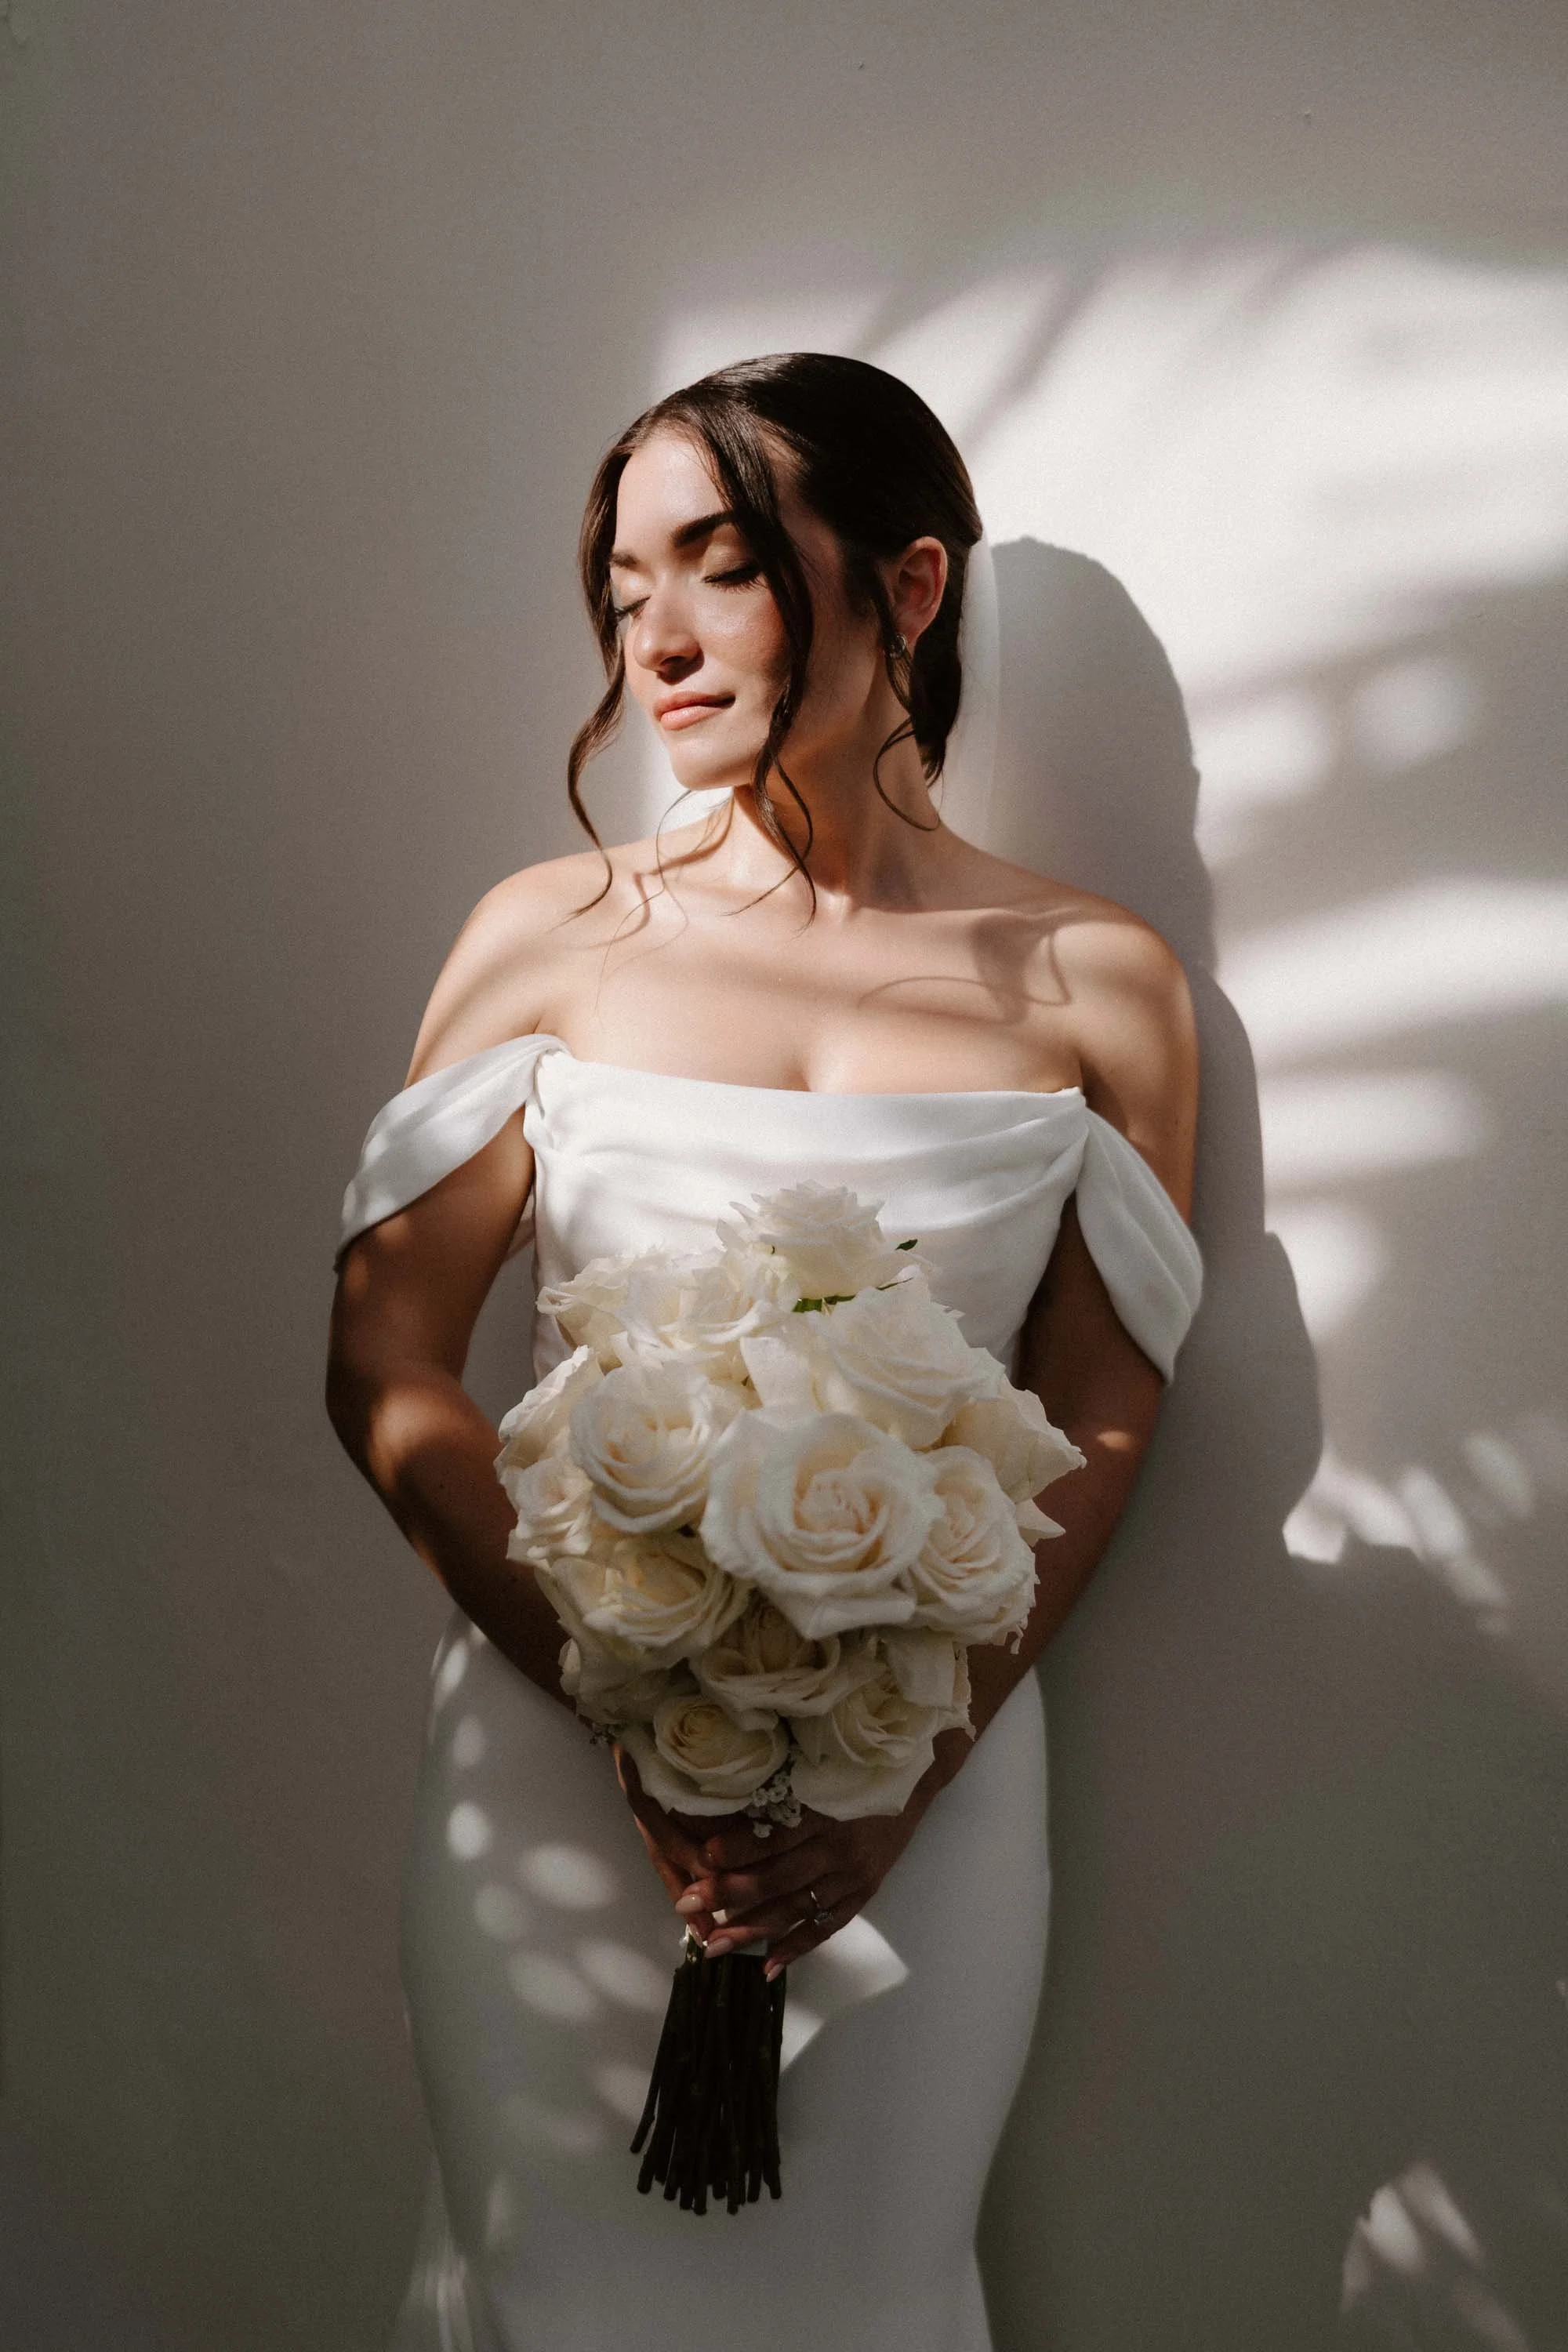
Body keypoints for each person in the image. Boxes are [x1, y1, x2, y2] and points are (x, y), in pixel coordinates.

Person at [326, 352, 1202, 2351]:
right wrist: (637, 1710)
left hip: (928, 1785)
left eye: (716, 566)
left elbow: (1101, 1411)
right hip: (560, 1757)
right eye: (622, 583)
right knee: (554, 2288)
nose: (654, 636)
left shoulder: (1101, 982)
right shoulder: (546, 936)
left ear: (905, 588)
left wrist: (903, 1769)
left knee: (873, 2292)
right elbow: (383, 1371)